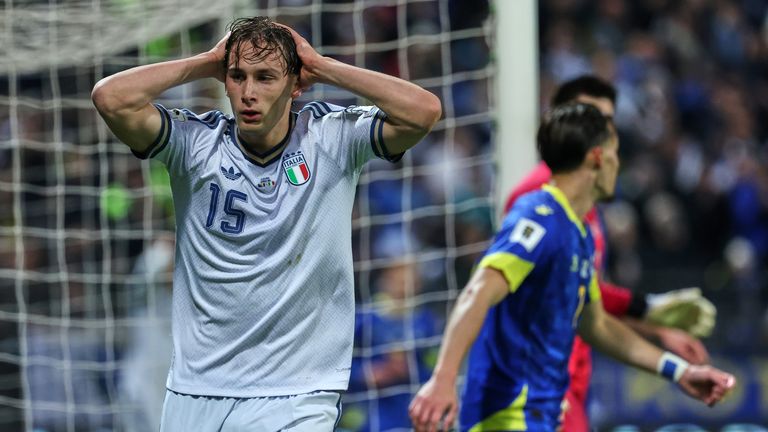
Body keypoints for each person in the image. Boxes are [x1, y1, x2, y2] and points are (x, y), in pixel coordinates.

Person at [92, 16, 441, 431]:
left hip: (297, 392)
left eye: (265, 77)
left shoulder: (331, 138)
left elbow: (424, 111)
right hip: (195, 388)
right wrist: (208, 60)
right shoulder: (194, 145)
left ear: (296, 85)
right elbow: (110, 97)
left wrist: (322, 65)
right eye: (237, 77)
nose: (249, 93)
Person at [409, 103, 734, 431]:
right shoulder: (539, 215)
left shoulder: (578, 234)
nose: (617, 164)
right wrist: (443, 378)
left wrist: (680, 371)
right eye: (615, 152)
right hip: (509, 414)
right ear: (596, 157)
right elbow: (478, 290)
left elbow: (599, 327)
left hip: (542, 415)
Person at [503, 75, 717, 430]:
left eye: (607, 122)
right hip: (537, 381)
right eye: (591, 119)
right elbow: (488, 291)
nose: (603, 135)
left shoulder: (586, 203)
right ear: (561, 122)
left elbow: (583, 297)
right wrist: (445, 377)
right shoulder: (536, 201)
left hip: (573, 371)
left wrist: (654, 325)